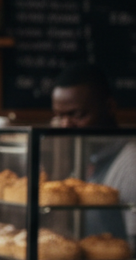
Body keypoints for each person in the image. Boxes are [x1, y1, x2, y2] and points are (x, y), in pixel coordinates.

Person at [51, 63, 136, 237]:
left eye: (77, 114)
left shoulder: (130, 166)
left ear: (110, 107)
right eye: (60, 117)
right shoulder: (81, 156)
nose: (65, 125)